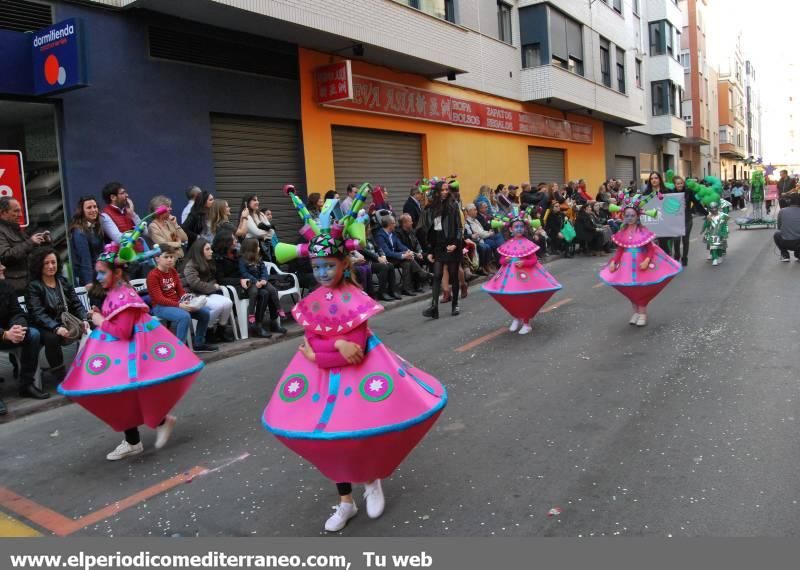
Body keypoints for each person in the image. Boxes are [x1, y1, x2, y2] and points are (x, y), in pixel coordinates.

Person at [262, 184, 447, 532]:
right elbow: (314, 337)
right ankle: (344, 501)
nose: (320, 273)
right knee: (329, 438)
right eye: (316, 267)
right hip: (322, 382)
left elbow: (356, 344)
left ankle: (371, 479)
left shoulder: (354, 296)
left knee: (360, 430)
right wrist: (329, 350)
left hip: (357, 379)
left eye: (328, 266)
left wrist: (323, 353)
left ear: (344, 263)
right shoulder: (314, 298)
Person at [58, 242, 204, 461]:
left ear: (117, 272)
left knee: (123, 394)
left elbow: (123, 331)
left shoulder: (123, 296)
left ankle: (150, 428)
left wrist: (100, 320)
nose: (98, 278)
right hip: (124, 356)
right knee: (123, 395)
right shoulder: (116, 293)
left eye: (102, 273)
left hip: (130, 355)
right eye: (97, 273)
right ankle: (143, 433)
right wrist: (102, 314)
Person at [599, 201, 682, 327]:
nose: (630, 218)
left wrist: (647, 260)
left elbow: (651, 249)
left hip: (640, 265)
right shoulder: (623, 232)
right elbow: (620, 249)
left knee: (641, 288)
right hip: (626, 267)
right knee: (630, 289)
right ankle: (636, 312)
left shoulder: (643, 231)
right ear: (623, 216)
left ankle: (642, 313)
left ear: (637, 216)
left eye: (632, 215)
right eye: (627, 216)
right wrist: (614, 262)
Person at [482, 207, 562, 335]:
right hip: (509, 278)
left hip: (527, 278)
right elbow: (501, 261)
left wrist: (524, 262)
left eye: (521, 226)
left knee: (525, 298)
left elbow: (534, 260)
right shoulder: (507, 243)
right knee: (511, 297)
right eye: (516, 227)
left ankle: (526, 322)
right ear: (510, 229)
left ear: (524, 229)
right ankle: (516, 317)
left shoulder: (528, 243)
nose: (519, 229)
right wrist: (506, 260)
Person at [25, 247, 89, 383]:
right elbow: (37, 313)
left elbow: (77, 305)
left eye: (53, 262)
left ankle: (89, 368)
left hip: (66, 322)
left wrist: (84, 318)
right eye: (46, 263)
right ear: (39, 265)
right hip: (44, 326)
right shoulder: (34, 286)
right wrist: (56, 327)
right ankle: (62, 377)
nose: (51, 266)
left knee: (91, 326)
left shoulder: (64, 282)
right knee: (52, 337)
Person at [146, 246, 218, 353]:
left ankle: (199, 343)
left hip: (176, 303)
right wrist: (179, 305)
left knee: (205, 313)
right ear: (157, 259)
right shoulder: (153, 275)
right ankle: (179, 350)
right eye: (166, 257)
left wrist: (187, 299)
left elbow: (180, 290)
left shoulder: (173, 271)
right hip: (160, 307)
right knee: (184, 316)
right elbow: (158, 298)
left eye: (171, 257)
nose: (170, 260)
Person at [0, 260, 46, 408]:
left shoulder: (6, 286)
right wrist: (5, 334)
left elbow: (17, 312)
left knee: (33, 334)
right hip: (3, 334)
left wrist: (17, 328)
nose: (4, 267)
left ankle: (26, 385)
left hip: (10, 333)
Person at [423, 179, 463, 319]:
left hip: (452, 245)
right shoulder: (430, 208)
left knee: (453, 275)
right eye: (442, 190)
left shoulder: (453, 205)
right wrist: (429, 251)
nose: (445, 192)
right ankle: (434, 307)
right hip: (438, 247)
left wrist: (456, 244)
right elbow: (428, 231)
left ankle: (455, 304)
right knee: (437, 275)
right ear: (437, 191)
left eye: (447, 189)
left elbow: (459, 227)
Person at [182, 238, 235, 342]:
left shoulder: (208, 263)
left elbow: (212, 280)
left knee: (228, 303)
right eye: (208, 249)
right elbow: (195, 284)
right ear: (200, 251)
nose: (211, 251)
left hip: (205, 293)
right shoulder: (190, 265)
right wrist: (212, 287)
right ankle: (207, 331)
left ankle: (221, 330)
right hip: (194, 295)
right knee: (217, 306)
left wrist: (211, 285)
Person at [238, 237, 287, 338]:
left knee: (273, 291)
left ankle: (274, 321)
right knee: (265, 294)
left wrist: (264, 279)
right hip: (251, 285)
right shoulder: (242, 260)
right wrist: (255, 281)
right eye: (258, 246)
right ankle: (258, 326)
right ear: (251, 248)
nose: (260, 248)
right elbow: (244, 273)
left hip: (261, 282)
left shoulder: (258, 258)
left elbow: (264, 270)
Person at [0, 197, 48, 294]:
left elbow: (29, 253)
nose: (20, 215)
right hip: (15, 287)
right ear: (3, 213)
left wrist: (44, 242)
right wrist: (30, 242)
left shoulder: (16, 229)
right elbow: (5, 256)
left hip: (27, 284)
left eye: (20, 211)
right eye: (16, 211)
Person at [374, 215, 428, 296]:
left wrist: (409, 252)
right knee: (407, 259)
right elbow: (387, 252)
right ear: (389, 224)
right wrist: (403, 255)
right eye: (393, 223)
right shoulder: (380, 235)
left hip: (395, 257)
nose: (395, 225)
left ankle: (406, 288)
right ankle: (422, 274)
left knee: (407, 262)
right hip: (386, 259)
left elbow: (401, 246)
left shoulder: (392, 234)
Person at [69, 196, 105, 288]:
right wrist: (88, 282)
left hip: (100, 274)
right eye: (89, 208)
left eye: (95, 206)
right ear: (82, 211)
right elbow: (84, 259)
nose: (93, 210)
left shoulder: (97, 226)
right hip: (91, 279)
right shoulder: (79, 231)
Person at [147, 196, 188, 264]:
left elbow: (184, 238)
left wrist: (176, 224)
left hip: (181, 259)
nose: (171, 209)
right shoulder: (153, 226)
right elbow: (163, 245)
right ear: (159, 210)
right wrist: (178, 243)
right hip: (168, 263)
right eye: (168, 207)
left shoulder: (169, 222)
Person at [99, 182, 142, 247]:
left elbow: (145, 232)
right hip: (122, 256)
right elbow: (120, 239)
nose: (127, 195)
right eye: (122, 193)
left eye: (125, 192)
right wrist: (137, 234)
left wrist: (133, 214)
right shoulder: (104, 216)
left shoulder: (128, 211)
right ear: (113, 197)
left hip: (139, 252)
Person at [240, 195, 275, 261]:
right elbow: (257, 233)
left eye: (257, 200)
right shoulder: (246, 216)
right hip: (251, 249)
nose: (257, 202)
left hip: (264, 247)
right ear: (247, 202)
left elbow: (272, 232)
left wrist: (263, 234)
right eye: (254, 200)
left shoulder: (261, 214)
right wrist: (265, 233)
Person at [670, 175, 695, 266]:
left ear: (683, 183)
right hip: (676, 220)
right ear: (675, 185)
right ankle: (676, 257)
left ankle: (685, 258)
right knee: (676, 240)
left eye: (681, 183)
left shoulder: (688, 191)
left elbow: (696, 202)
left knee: (685, 240)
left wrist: (705, 213)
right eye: (677, 184)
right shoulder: (671, 192)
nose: (679, 185)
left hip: (687, 219)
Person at [702, 201, 730, 266]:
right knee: (713, 246)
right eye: (711, 208)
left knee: (719, 246)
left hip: (720, 233)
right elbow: (706, 224)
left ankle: (719, 256)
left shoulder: (723, 215)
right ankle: (714, 258)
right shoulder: (709, 216)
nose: (713, 209)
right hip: (711, 233)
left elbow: (725, 225)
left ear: (717, 208)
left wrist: (725, 232)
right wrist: (703, 230)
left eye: (714, 208)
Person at [774, 192, 800, 261]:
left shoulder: (782, 211)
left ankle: (785, 255)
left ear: (789, 202)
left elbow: (779, 227)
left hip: (785, 242)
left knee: (776, 234)